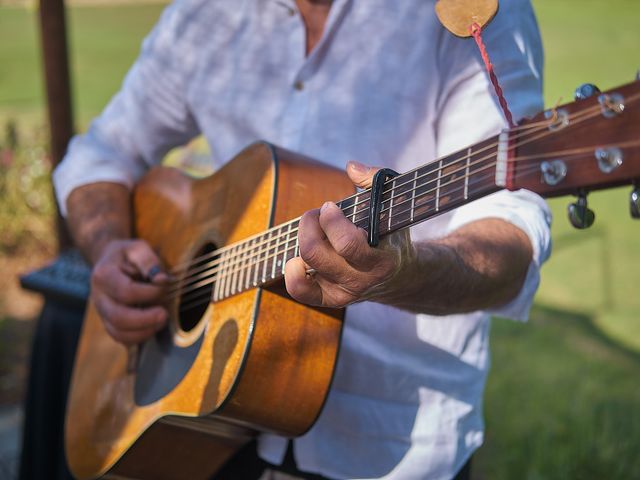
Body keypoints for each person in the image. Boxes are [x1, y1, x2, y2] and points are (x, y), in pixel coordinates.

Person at [53, 0, 552, 478]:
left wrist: (404, 275)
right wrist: (108, 247)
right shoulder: (205, 12)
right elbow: (100, 154)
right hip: (207, 431)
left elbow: (511, 233)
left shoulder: (472, 9)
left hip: (390, 441)